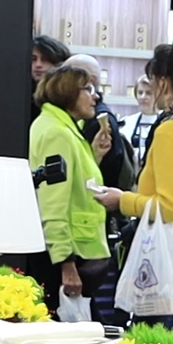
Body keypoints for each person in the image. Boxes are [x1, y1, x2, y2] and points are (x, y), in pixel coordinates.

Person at [92, 38, 173, 326]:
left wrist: (122, 200)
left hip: (171, 267)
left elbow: (171, 207)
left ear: (163, 81)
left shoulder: (170, 132)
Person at [29, 67, 114, 317]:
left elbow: (76, 184)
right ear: (67, 91)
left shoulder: (61, 127)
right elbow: (52, 202)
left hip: (73, 254)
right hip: (69, 259)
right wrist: (66, 264)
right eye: (88, 89)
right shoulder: (58, 133)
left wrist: (95, 155)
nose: (95, 96)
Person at [62, 53, 136, 191]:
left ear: (91, 80)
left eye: (70, 76)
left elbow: (100, 178)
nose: (62, 82)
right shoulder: (81, 117)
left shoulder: (98, 121)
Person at [124, 75, 160, 168]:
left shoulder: (165, 121)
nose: (143, 97)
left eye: (148, 93)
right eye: (140, 93)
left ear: (158, 95)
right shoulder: (128, 123)